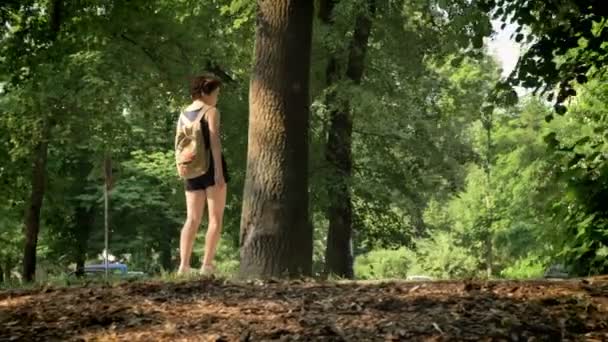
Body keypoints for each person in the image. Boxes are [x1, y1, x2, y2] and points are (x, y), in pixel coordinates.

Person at [177, 74, 229, 275]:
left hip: (190, 168)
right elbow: (215, 142)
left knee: (192, 218)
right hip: (210, 167)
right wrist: (218, 172)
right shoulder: (211, 111)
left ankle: (183, 266)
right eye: (216, 93)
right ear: (206, 93)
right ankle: (206, 265)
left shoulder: (183, 114)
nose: (217, 97)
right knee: (215, 218)